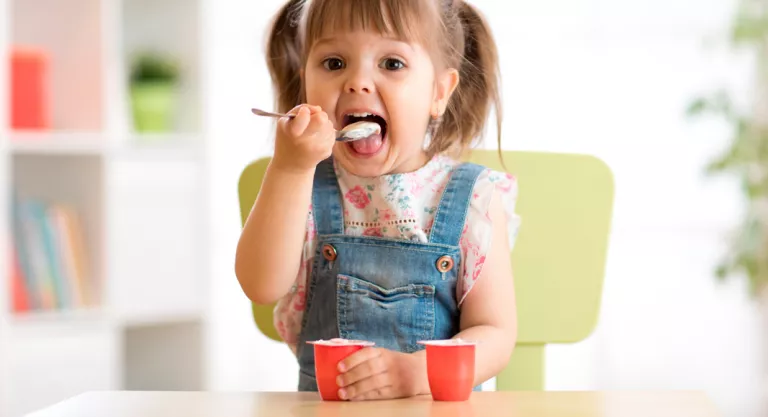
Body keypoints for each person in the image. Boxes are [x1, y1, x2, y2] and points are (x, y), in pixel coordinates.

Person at [236, 0, 520, 401]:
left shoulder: (473, 198)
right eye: (334, 63)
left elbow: (496, 333)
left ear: (438, 92)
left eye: (391, 63)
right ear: (305, 86)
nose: (357, 82)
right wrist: (288, 169)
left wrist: (416, 374)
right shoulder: (302, 188)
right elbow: (260, 285)